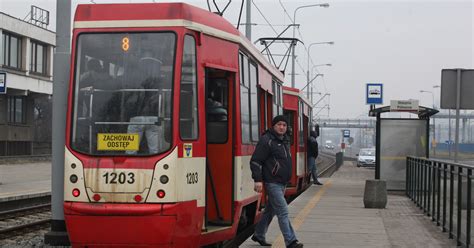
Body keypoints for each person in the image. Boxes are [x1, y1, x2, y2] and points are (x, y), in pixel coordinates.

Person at [250, 115, 303, 248]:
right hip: (272, 182)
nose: (282, 127)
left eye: (284, 125)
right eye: (279, 124)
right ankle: (291, 241)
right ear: (273, 126)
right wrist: (258, 180)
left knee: (270, 210)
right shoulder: (267, 140)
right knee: (283, 210)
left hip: (282, 183)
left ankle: (259, 234)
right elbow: (256, 161)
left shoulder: (284, 141)